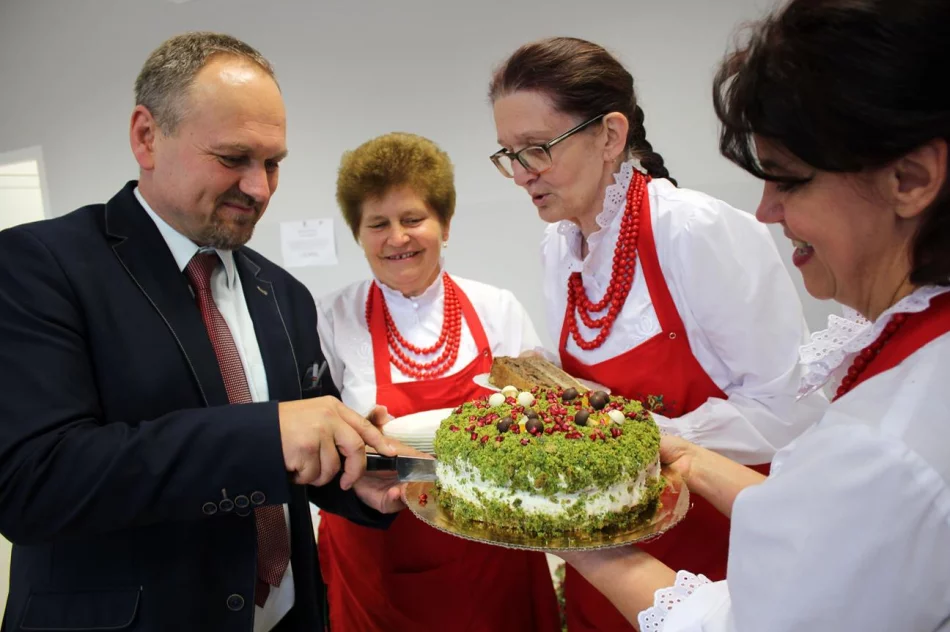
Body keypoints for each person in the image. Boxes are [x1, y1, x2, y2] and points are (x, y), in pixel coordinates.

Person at [555, 0, 950, 629]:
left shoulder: (888, 439)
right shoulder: (913, 361)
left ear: (911, 178)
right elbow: (825, 524)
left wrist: (570, 535)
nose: (766, 211)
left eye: (788, 180)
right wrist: (684, 453)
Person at [0, 32, 405, 632]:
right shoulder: (38, 266)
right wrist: (268, 433)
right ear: (146, 136)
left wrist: (358, 476)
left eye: (272, 164)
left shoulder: (283, 293)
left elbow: (299, 454)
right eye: (233, 158)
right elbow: (32, 484)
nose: (260, 188)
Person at [488, 36, 826, 631]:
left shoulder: (696, 230)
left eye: (536, 150)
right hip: (606, 562)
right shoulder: (558, 246)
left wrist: (644, 436)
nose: (520, 175)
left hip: (710, 572)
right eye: (508, 155)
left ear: (610, 136)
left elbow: (788, 413)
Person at [315, 132, 561, 631]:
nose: (397, 238)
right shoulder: (331, 316)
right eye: (377, 224)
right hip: (377, 553)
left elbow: (544, 421)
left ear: (445, 225)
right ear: (358, 234)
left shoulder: (496, 308)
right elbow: (316, 435)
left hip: (490, 546)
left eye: (413, 219)